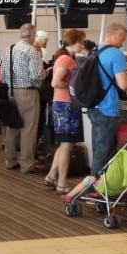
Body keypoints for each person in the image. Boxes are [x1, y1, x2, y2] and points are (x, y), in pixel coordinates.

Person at [87, 23, 127, 177]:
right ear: (117, 35)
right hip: (107, 107)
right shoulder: (116, 54)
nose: (123, 42)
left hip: (93, 105)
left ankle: (98, 184)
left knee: (98, 147)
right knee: (105, 149)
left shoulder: (93, 51)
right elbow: (123, 84)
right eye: (123, 38)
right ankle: (95, 189)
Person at [0, 23, 48, 174]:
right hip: (28, 93)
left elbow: (2, 74)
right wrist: (46, 72)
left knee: (13, 126)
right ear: (32, 35)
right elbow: (36, 76)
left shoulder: (9, 49)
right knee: (28, 129)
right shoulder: (31, 51)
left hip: (10, 91)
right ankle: (27, 164)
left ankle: (10, 160)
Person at [43, 29, 86, 195]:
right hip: (66, 104)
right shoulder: (67, 59)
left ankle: (52, 175)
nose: (82, 45)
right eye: (80, 42)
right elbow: (55, 82)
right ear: (72, 42)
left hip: (62, 104)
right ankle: (61, 183)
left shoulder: (63, 58)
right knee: (67, 144)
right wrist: (74, 87)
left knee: (64, 144)